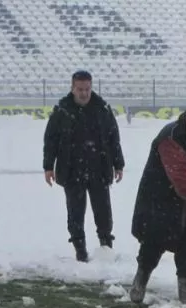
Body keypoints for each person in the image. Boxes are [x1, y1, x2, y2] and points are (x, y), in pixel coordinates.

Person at [128, 101, 186, 305]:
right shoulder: (170, 138)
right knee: (152, 245)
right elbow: (180, 178)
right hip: (159, 200)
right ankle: (140, 281)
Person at [42, 70, 125, 262]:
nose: (84, 93)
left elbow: (114, 138)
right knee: (75, 213)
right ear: (72, 89)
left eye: (87, 89)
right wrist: (48, 166)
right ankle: (80, 249)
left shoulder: (102, 109)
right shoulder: (62, 111)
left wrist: (118, 164)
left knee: (103, 212)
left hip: (99, 168)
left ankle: (106, 246)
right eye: (80, 89)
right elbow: (51, 140)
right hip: (72, 170)